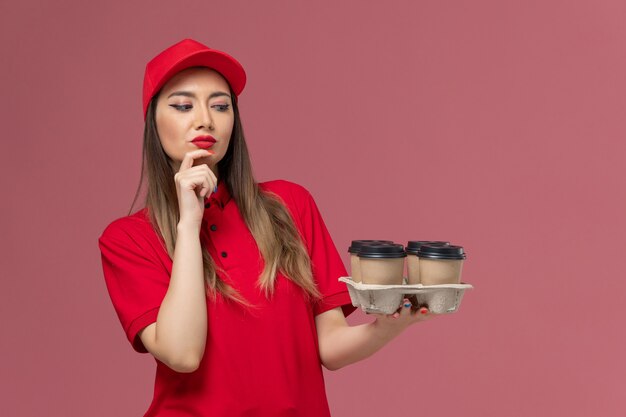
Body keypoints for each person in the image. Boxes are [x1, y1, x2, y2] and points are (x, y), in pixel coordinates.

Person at [98, 38, 434, 417]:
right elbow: (182, 353)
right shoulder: (127, 239)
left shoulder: (290, 206)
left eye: (221, 106)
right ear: (153, 121)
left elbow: (330, 347)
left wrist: (391, 323)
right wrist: (188, 225)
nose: (205, 119)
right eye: (182, 105)